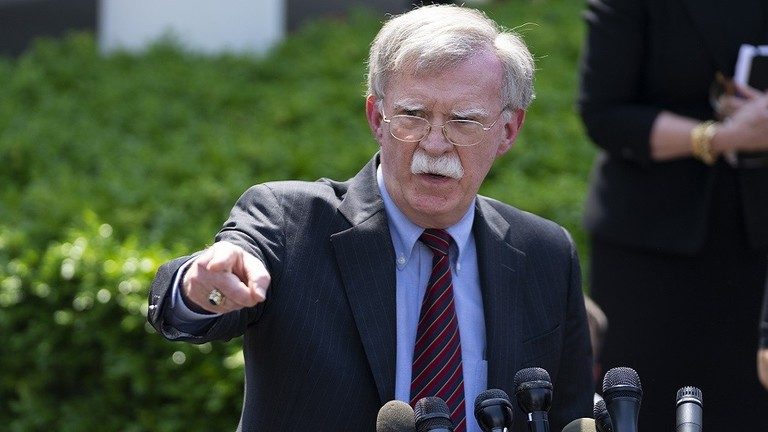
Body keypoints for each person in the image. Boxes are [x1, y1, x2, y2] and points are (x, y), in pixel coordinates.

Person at [148, 4, 593, 431]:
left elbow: (568, 418)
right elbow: (196, 298)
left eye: (463, 121)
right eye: (413, 115)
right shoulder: (289, 222)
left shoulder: (546, 253)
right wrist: (198, 287)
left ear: (508, 131)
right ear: (377, 118)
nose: (434, 144)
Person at [577, 0, 768, 430]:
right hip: (649, 243)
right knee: (646, 405)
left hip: (757, 244)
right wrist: (720, 137)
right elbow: (603, 113)